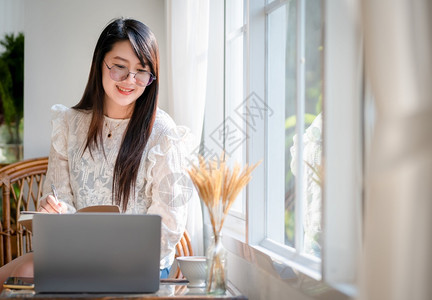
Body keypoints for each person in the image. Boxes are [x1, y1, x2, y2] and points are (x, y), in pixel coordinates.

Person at [0, 18, 192, 288]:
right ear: (99, 63)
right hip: (74, 257)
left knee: (26, 269)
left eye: (141, 71)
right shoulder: (68, 123)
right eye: (119, 67)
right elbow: (57, 196)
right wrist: (52, 209)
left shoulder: (162, 132)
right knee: (17, 271)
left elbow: (170, 224)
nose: (130, 80)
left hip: (137, 265)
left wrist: (112, 257)